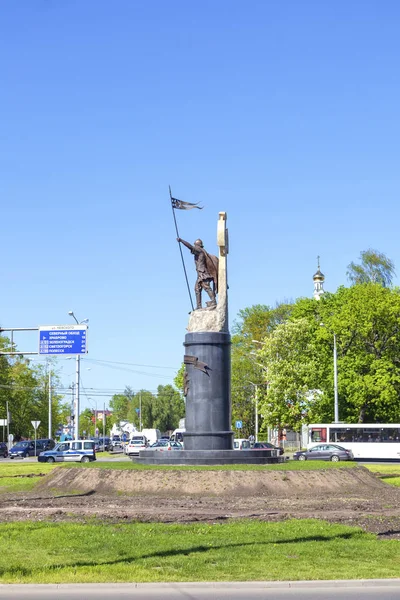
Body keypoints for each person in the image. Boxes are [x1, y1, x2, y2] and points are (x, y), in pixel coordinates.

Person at [177, 237, 218, 309]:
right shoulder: (202, 251)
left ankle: (213, 301)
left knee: (206, 287)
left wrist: (181, 241)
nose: (194, 247)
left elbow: (190, 247)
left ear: (198, 245)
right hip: (200, 274)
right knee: (197, 289)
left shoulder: (199, 250)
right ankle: (199, 306)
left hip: (203, 273)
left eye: (195, 245)